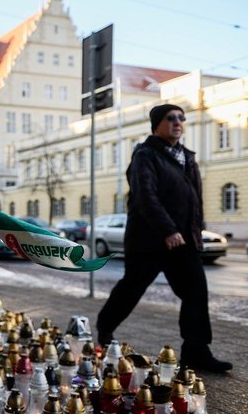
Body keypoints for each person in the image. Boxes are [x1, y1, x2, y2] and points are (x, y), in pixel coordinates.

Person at [96, 104, 232, 373]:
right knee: (132, 287)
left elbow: (196, 201)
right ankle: (104, 330)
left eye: (182, 118)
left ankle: (196, 350)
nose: (178, 122)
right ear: (156, 125)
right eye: (171, 118)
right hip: (149, 239)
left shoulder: (187, 158)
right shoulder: (145, 155)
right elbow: (146, 197)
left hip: (182, 241)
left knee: (196, 290)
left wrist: (197, 232)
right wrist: (168, 230)